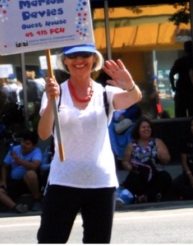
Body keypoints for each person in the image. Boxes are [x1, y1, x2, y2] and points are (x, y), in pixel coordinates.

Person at [37, 42, 142, 243]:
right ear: (65, 60)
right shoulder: (54, 93)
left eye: (85, 55)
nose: (79, 60)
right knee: (50, 240)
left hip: (100, 182)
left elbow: (134, 97)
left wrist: (129, 84)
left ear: (94, 58)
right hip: (63, 181)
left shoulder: (105, 93)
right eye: (73, 56)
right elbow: (43, 134)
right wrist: (52, 101)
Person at [121, 117, 172, 203]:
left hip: (156, 173)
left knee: (165, 177)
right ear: (138, 130)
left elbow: (167, 159)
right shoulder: (131, 145)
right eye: (143, 127)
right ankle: (150, 197)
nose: (147, 129)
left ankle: (146, 197)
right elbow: (125, 161)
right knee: (131, 179)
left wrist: (161, 157)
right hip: (140, 175)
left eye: (148, 127)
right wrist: (129, 167)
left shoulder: (157, 142)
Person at [0, 130, 42, 214]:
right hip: (15, 182)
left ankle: (36, 200)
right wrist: (3, 181)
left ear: (34, 145)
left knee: (30, 174)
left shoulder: (37, 151)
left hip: (29, 182)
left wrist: (18, 159)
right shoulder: (15, 149)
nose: (24, 145)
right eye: (23, 142)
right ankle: (16, 207)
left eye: (27, 144)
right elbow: (4, 167)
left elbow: (34, 166)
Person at [169, 40, 193, 117]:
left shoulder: (180, 61)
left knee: (180, 116)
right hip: (192, 91)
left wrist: (173, 86)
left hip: (181, 89)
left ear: (185, 49)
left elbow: (171, 74)